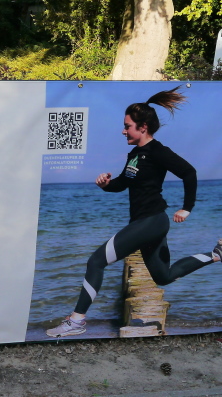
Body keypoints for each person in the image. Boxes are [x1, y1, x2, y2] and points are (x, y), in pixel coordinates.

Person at [46, 87, 222, 338]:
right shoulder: (135, 154)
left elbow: (189, 172)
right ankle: (216, 255)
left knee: (96, 261)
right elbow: (123, 183)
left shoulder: (158, 151)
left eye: (127, 126)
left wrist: (187, 208)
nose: (123, 130)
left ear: (143, 127)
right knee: (164, 276)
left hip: (152, 220)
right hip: (147, 222)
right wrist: (106, 185)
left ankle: (76, 320)